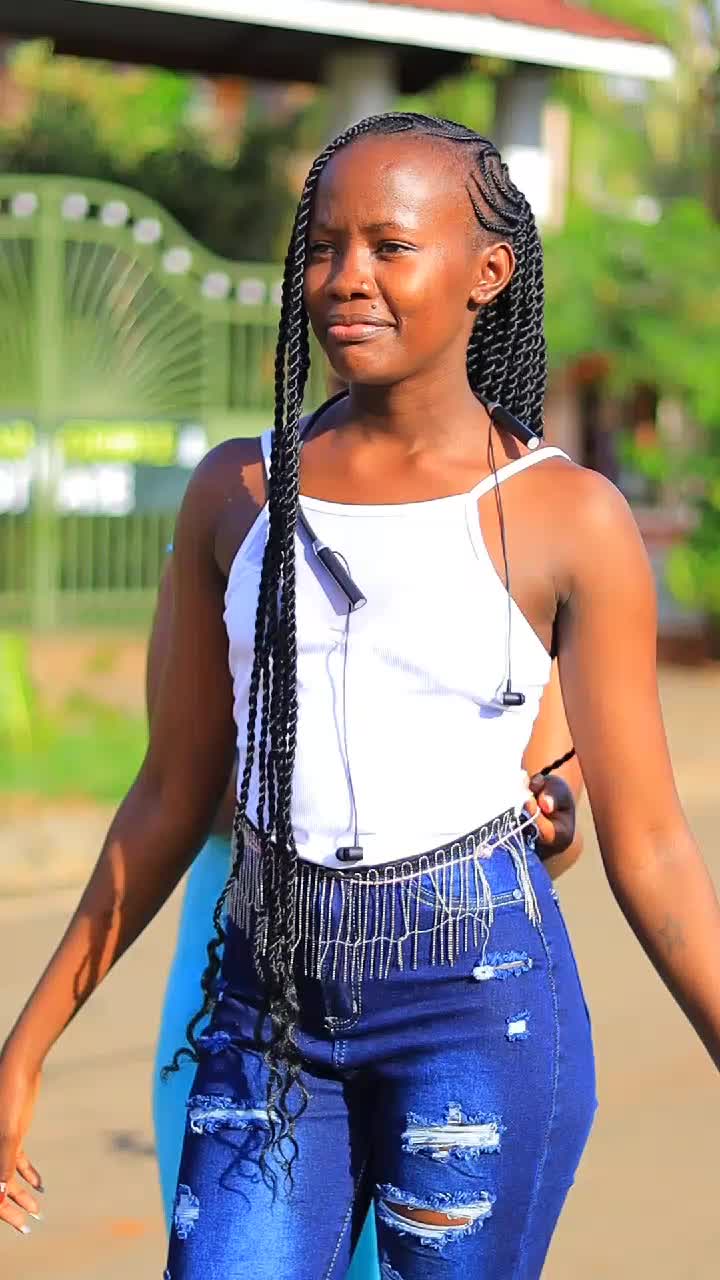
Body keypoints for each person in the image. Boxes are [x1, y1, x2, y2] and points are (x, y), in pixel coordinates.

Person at [2, 113, 720, 1280]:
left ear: (489, 271)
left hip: (479, 1009)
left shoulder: (568, 516)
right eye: (324, 246)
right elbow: (171, 792)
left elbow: (653, 846)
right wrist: (27, 1042)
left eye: (391, 246)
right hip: (267, 1004)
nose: (346, 278)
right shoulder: (235, 493)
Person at [147, 559, 584, 1277]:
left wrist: (533, 823)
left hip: (455, 989)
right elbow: (179, 785)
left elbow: (554, 817)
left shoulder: (522, 524)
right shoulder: (240, 517)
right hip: (254, 982)